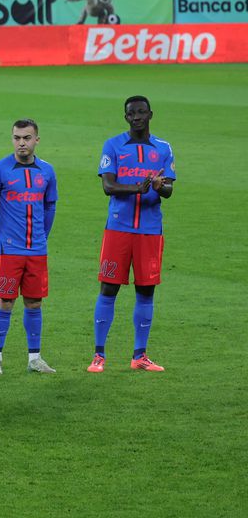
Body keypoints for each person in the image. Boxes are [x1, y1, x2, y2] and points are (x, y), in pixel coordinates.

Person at [89, 96, 175, 373]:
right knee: (108, 287)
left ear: (150, 114)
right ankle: (99, 355)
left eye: (140, 112)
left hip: (150, 230)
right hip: (118, 228)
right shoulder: (113, 145)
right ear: (125, 117)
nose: (136, 117)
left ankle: (140, 356)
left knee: (146, 290)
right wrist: (137, 189)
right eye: (131, 113)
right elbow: (107, 186)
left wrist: (160, 186)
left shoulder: (163, 148)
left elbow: (169, 190)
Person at [0, 119, 58, 376]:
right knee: (5, 302)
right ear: (12, 139)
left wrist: (42, 236)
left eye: (26, 137)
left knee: (34, 303)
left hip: (36, 251)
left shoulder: (47, 171)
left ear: (36, 140)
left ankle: (34, 358)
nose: (21, 143)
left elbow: (50, 206)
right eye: (17, 137)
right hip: (8, 250)